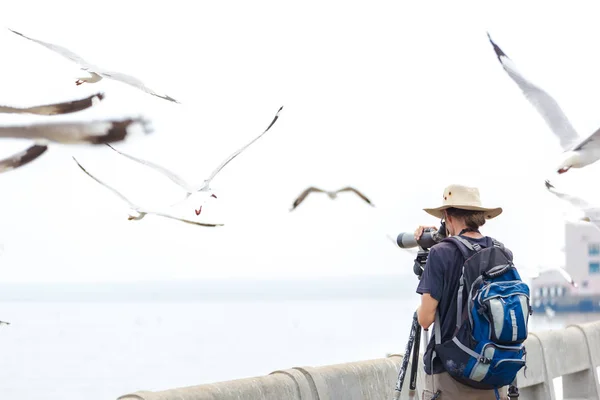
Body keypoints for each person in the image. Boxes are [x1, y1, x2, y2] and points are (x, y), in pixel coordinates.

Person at [414, 184, 510, 400]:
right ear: (480, 216)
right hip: (494, 371)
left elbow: (426, 319)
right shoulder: (501, 252)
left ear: (447, 215)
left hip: (452, 375)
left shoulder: (440, 253)